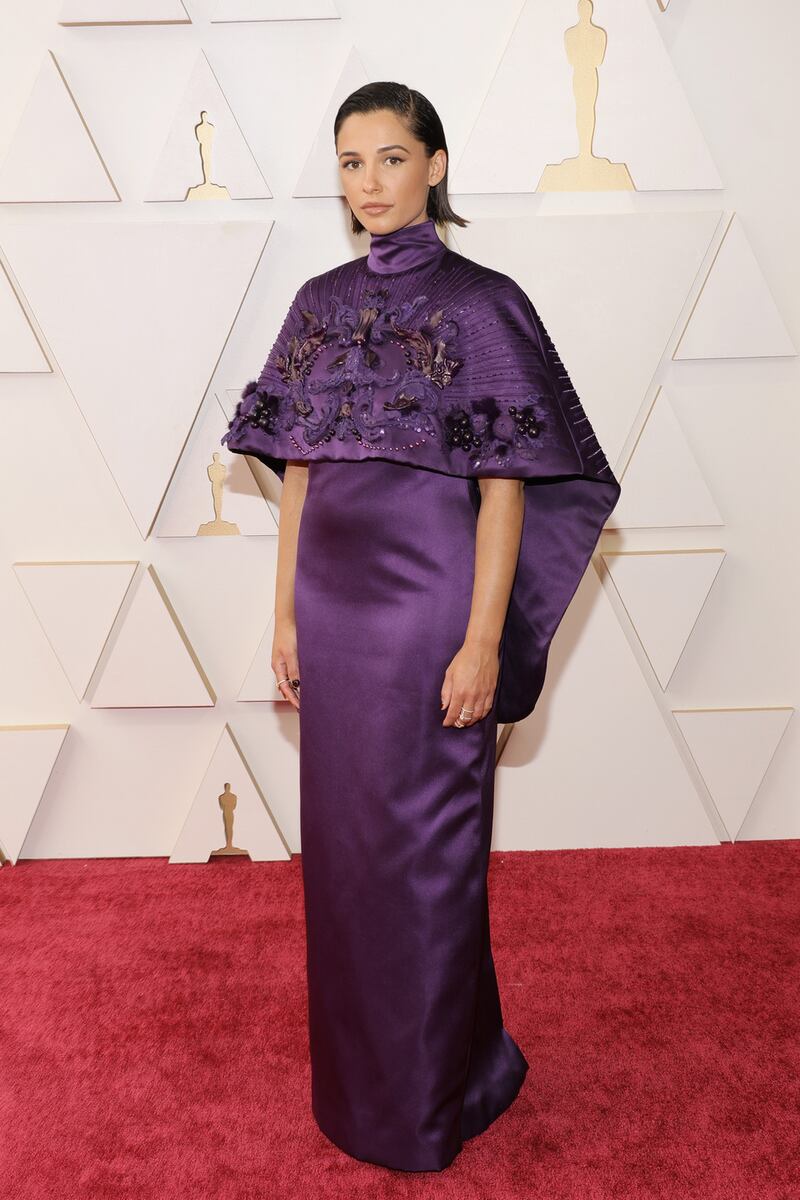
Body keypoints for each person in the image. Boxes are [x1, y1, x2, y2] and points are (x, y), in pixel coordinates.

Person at [221, 82, 621, 1173]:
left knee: (428, 859)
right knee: (348, 864)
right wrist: (286, 616)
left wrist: (484, 640)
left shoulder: (484, 306)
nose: (369, 185)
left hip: (431, 608)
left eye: (390, 159)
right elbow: (299, 467)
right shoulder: (315, 300)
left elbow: (507, 488)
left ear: (435, 166)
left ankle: (429, 1097)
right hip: (336, 616)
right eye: (349, 165)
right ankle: (382, 1081)